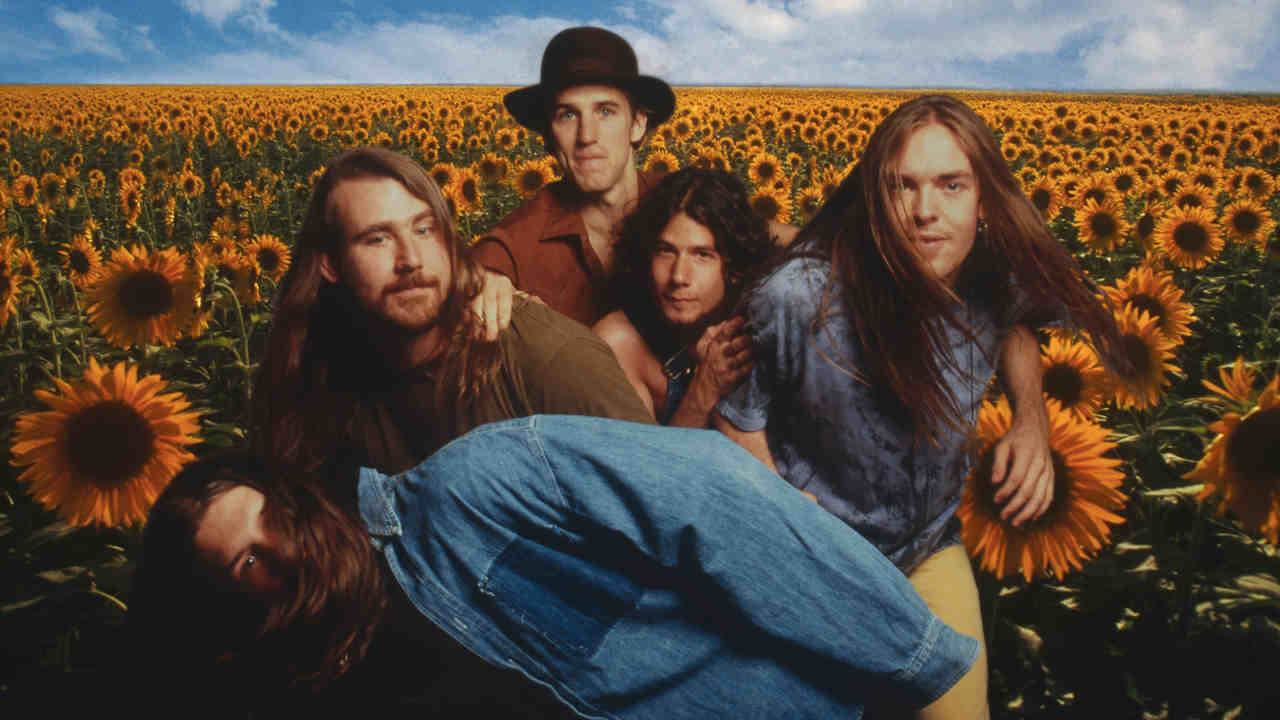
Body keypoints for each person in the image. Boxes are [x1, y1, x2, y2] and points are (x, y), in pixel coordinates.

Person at [713, 95, 1132, 720]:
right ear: (874, 198)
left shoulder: (993, 272)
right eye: (901, 187)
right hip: (820, 559)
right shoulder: (796, 297)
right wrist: (779, 512)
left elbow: (1018, 326)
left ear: (983, 198)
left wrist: (1030, 420)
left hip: (927, 549)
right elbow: (734, 416)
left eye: (951, 185)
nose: (925, 212)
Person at [129, 415, 981, 719]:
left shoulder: (476, 486)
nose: (280, 549)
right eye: (245, 563)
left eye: (272, 518)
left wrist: (913, 666)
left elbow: (714, 498)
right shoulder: (316, 692)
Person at [252, 146, 652, 474]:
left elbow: (669, 501)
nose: (411, 259)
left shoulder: (545, 357)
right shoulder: (325, 374)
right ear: (331, 266)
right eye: (377, 239)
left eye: (424, 230)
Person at [471, 26, 796, 326]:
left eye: (606, 111)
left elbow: (778, 238)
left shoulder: (680, 201)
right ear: (547, 134)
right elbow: (467, 283)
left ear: (638, 123)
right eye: (567, 114)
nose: (587, 136)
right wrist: (483, 285)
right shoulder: (515, 245)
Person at [594, 168, 775, 427]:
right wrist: (702, 393)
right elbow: (639, 466)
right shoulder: (618, 343)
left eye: (702, 255)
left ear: (733, 267)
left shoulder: (762, 318)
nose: (679, 276)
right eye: (666, 251)